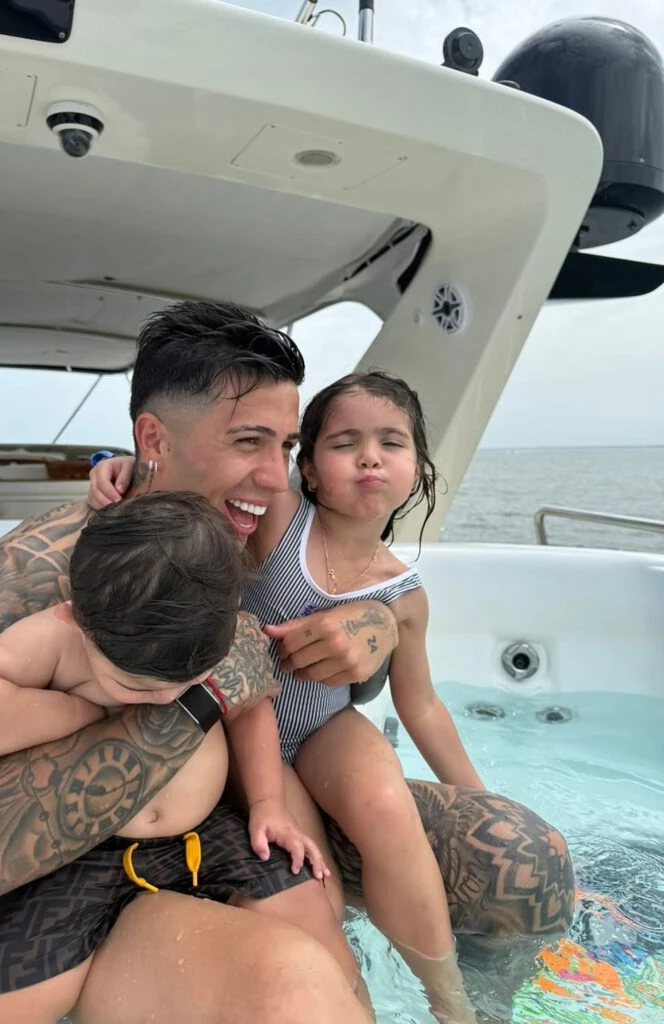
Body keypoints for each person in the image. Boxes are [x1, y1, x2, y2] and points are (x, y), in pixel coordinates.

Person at [0, 301, 575, 1024]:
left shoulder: (244, 532)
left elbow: (333, 607)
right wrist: (199, 698)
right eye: (248, 442)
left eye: (287, 447)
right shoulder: (36, 577)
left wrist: (380, 625)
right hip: (112, 867)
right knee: (299, 993)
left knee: (525, 863)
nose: (273, 478)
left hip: (258, 804)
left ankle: (462, 1006)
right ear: (152, 439)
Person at [88, 371, 482, 1024]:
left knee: (389, 809)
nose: (370, 458)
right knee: (315, 876)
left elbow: (422, 707)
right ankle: (348, 989)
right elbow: (202, 486)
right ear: (310, 470)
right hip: (251, 726)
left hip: (326, 727)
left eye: (392, 442)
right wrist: (133, 468)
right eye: (345, 443)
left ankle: (450, 999)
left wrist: (478, 796)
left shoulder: (404, 594)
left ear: (418, 467)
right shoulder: (281, 521)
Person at [0, 491, 366, 1023]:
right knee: (1, 1013)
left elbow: (249, 709)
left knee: (320, 929)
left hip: (205, 833)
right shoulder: (57, 637)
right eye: (135, 686)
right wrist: (75, 711)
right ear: (75, 617)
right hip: (79, 858)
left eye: (185, 684)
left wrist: (269, 805)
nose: (162, 699)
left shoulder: (210, 633)